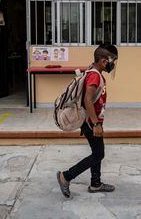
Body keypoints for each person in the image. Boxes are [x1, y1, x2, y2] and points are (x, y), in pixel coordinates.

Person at [57, 43, 118, 198]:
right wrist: (96, 124)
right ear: (104, 61)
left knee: (97, 152)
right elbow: (88, 100)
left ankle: (95, 183)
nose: (113, 64)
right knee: (99, 154)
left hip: (94, 121)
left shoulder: (94, 71)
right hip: (92, 123)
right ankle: (66, 176)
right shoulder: (95, 75)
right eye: (112, 61)